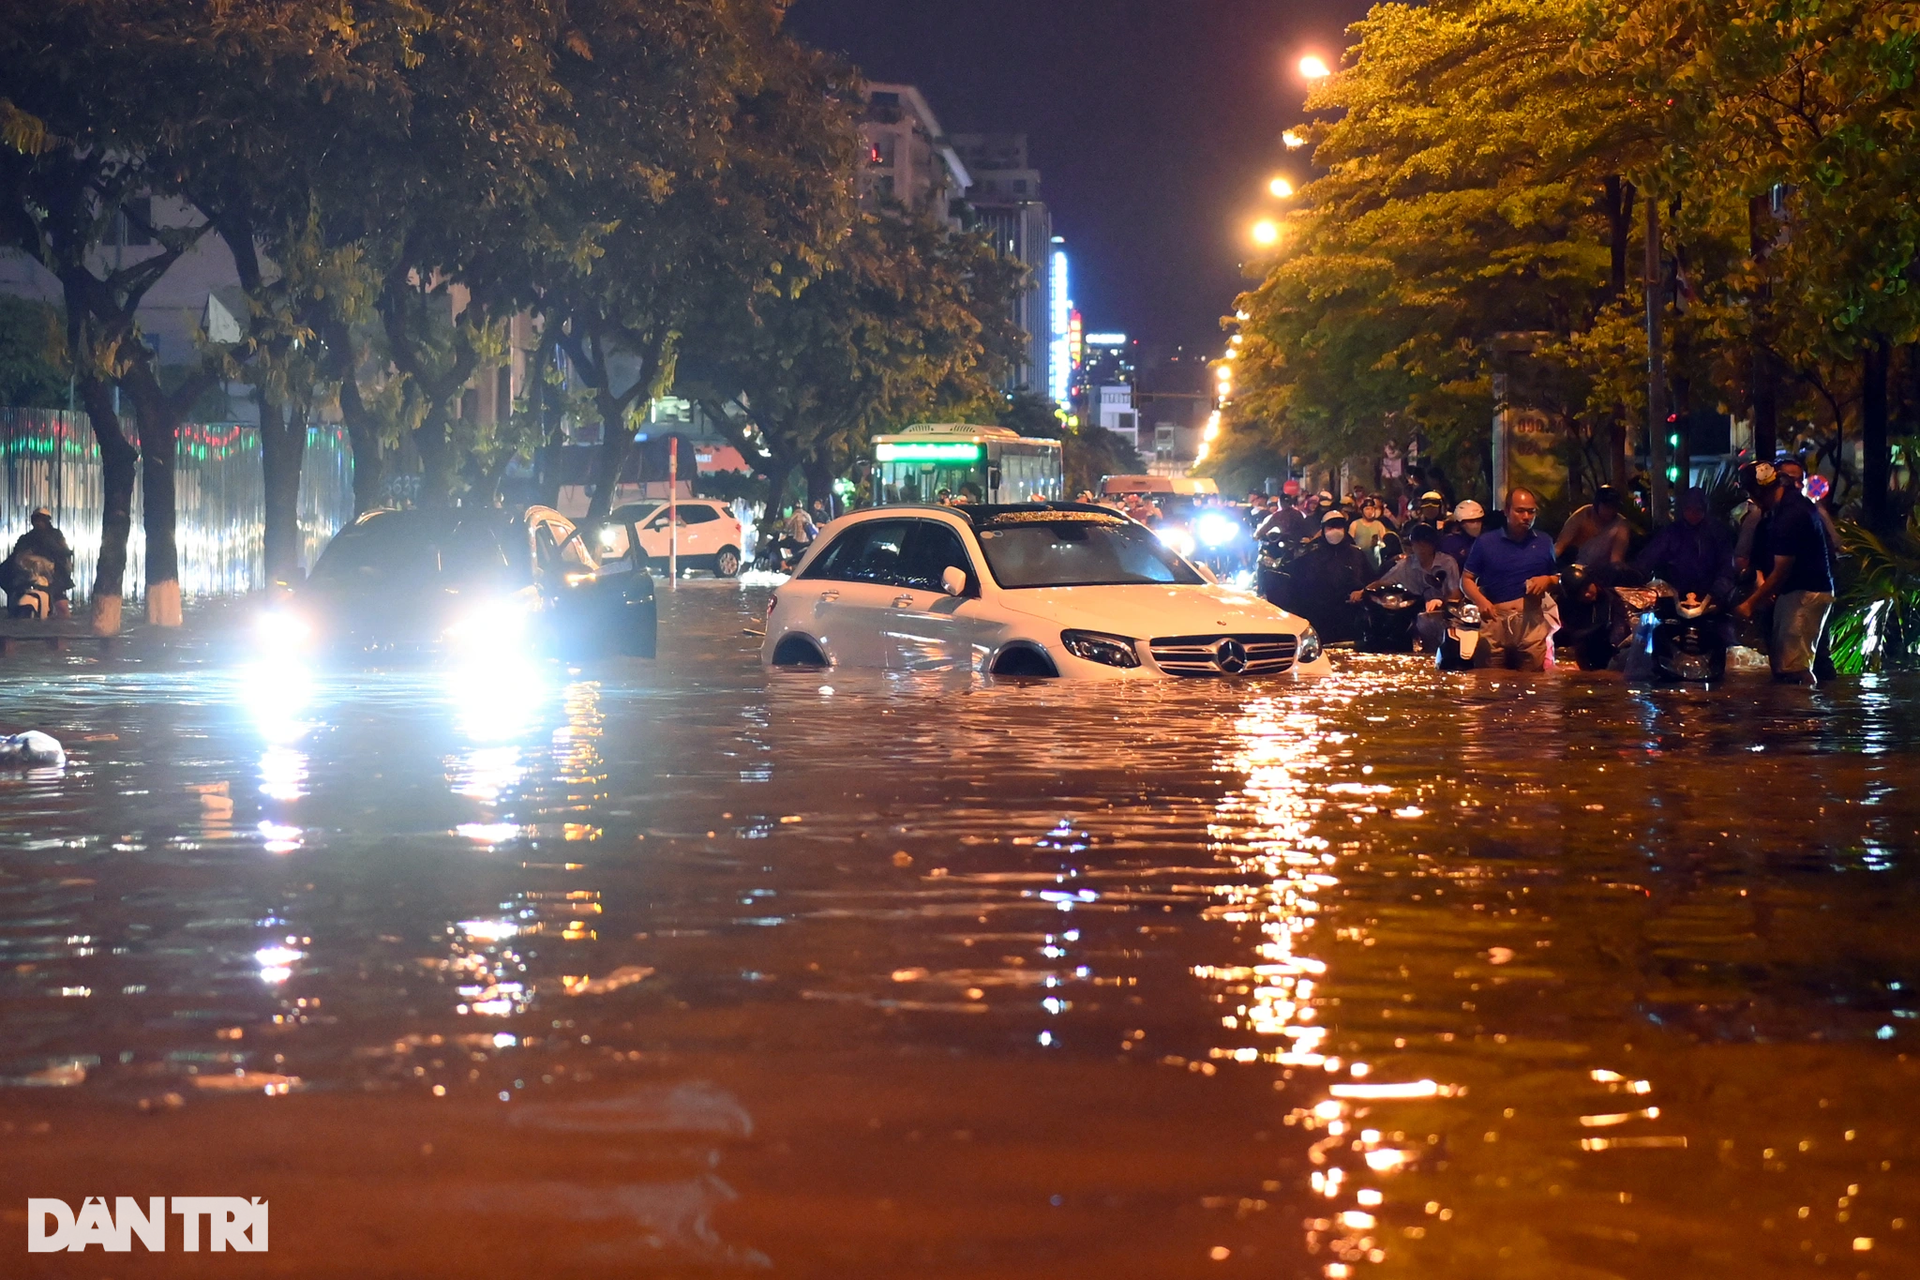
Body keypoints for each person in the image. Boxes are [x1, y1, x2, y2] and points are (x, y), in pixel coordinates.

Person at [1732, 461, 1834, 683]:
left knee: (1794, 668)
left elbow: (1781, 571)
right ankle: (1790, 714)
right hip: (1794, 593)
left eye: (1751, 493)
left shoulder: (1791, 514)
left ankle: (1805, 714)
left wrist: (1750, 603)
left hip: (1805, 593)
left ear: (1759, 491)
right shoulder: (1782, 510)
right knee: (1783, 665)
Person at [1462, 487, 1560, 670]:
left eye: (1531, 512)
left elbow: (1557, 578)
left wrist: (1547, 580)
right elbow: (1466, 579)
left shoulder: (1544, 542)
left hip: (1531, 623)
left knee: (1533, 687)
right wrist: (1481, 601)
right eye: (1520, 510)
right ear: (1507, 511)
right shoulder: (1485, 542)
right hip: (1495, 620)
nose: (1526, 517)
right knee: (1491, 684)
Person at [1350, 523, 1460, 651]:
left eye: (1425, 543)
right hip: (1414, 612)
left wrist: (1441, 602)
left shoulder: (1447, 563)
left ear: (1433, 545)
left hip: (1443, 614)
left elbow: (1455, 593)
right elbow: (1384, 581)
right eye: (1417, 543)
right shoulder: (1406, 564)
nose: (1421, 548)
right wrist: (1362, 592)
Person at [1281, 510, 1371, 641]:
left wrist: (1361, 592)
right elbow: (1297, 586)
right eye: (1330, 527)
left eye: (1338, 527)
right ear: (1323, 530)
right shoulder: (1311, 556)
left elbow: (1371, 581)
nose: (1335, 531)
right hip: (1319, 618)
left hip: (1350, 617)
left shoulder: (1356, 555)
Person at [1635, 487, 1735, 602]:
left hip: (1709, 597)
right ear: (1682, 510)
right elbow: (1650, 556)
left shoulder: (1718, 533)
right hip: (1674, 597)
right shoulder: (1671, 532)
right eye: (1689, 509)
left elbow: (1726, 566)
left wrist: (1717, 592)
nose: (1693, 514)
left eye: (1698, 510)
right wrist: (1637, 574)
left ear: (1705, 510)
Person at [4, 507, 74, 617]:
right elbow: (15, 556)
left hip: (52, 578)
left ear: (47, 521)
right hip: (29, 577)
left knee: (63, 608)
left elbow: (63, 554)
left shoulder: (55, 536)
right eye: (37, 519)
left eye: (42, 519)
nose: (39, 522)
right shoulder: (26, 538)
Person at [1555, 485, 1630, 569]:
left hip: (1601, 572)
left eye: (1614, 507)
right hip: (1572, 565)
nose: (1610, 511)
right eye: (1607, 506)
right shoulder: (1583, 514)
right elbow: (1559, 546)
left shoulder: (1621, 525)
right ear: (1597, 504)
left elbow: (1616, 559)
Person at [1438, 499, 1484, 566]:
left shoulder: (1486, 541)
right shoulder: (1449, 543)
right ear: (1460, 523)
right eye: (1471, 521)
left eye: (1478, 520)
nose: (1476, 524)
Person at [1349, 498, 1390, 568]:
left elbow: (1385, 542)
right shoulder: (1355, 524)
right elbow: (1349, 542)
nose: (1370, 511)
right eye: (1367, 509)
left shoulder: (1378, 524)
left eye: (1372, 509)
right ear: (1362, 510)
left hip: (1374, 559)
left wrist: (1379, 544)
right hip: (1359, 559)